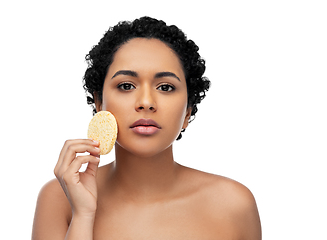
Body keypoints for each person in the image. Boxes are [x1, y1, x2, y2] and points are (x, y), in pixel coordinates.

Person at [32, 16, 261, 240]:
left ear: (188, 111)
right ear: (100, 103)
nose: (146, 102)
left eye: (165, 87)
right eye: (126, 85)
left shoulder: (234, 205)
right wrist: (83, 215)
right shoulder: (60, 198)